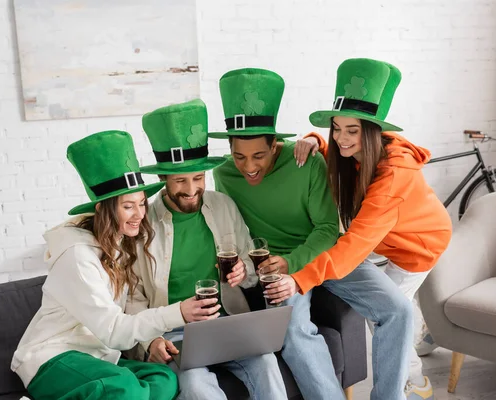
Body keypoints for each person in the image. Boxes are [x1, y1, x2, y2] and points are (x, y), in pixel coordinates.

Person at [271, 58, 453, 400]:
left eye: (351, 130)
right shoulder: (358, 152)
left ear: (371, 131)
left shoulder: (395, 174)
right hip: (385, 238)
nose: (341, 137)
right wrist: (315, 141)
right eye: (336, 128)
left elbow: (353, 246)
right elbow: (341, 154)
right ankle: (419, 339)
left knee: (391, 313)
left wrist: (299, 279)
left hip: (418, 246)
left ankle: (412, 384)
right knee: (394, 310)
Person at [11, 130, 192, 400]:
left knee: (163, 378)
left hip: (99, 358)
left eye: (142, 203)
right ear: (103, 209)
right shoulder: (77, 256)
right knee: (123, 387)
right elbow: (115, 331)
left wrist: (151, 341)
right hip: (52, 358)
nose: (140, 215)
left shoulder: (119, 246)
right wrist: (179, 312)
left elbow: (128, 309)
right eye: (128, 206)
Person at [126, 99, 288, 400]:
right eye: (180, 181)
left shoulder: (223, 205)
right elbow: (132, 297)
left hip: (229, 325)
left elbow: (252, 275)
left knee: (267, 362)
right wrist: (151, 341)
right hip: (175, 332)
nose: (190, 190)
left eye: (198, 178)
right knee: (197, 387)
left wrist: (244, 270)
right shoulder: (143, 224)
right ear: (162, 178)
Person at [210, 67, 352, 400]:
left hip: (315, 254)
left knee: (395, 308)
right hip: (271, 266)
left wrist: (290, 263)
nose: (248, 167)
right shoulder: (223, 175)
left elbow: (328, 229)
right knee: (293, 328)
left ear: (276, 144)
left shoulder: (306, 163)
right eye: (239, 156)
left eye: (258, 155)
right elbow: (230, 229)